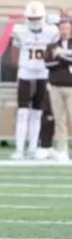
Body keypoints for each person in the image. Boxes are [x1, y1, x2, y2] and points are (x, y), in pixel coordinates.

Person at [10, 1, 59, 160]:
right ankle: (19, 149)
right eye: (31, 17)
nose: (34, 21)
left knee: (37, 112)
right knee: (23, 112)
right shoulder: (20, 31)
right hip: (25, 73)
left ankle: (32, 148)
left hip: (43, 73)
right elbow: (13, 57)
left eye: (37, 17)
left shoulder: (51, 31)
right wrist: (19, 66)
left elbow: (53, 53)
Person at [45, 18, 72, 162]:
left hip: (71, 87)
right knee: (59, 120)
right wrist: (64, 57)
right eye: (62, 28)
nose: (65, 31)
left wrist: (61, 55)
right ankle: (62, 150)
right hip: (55, 86)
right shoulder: (52, 46)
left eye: (67, 28)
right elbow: (48, 63)